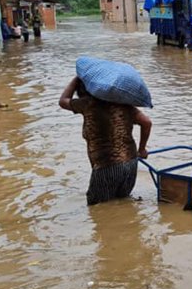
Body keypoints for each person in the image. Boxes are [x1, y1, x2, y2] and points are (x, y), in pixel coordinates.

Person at [59, 77, 152, 206]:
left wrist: (76, 79)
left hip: (106, 167)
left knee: (97, 208)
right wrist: (142, 149)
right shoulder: (123, 104)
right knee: (123, 204)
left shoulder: (87, 104)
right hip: (130, 164)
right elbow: (146, 122)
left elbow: (63, 101)